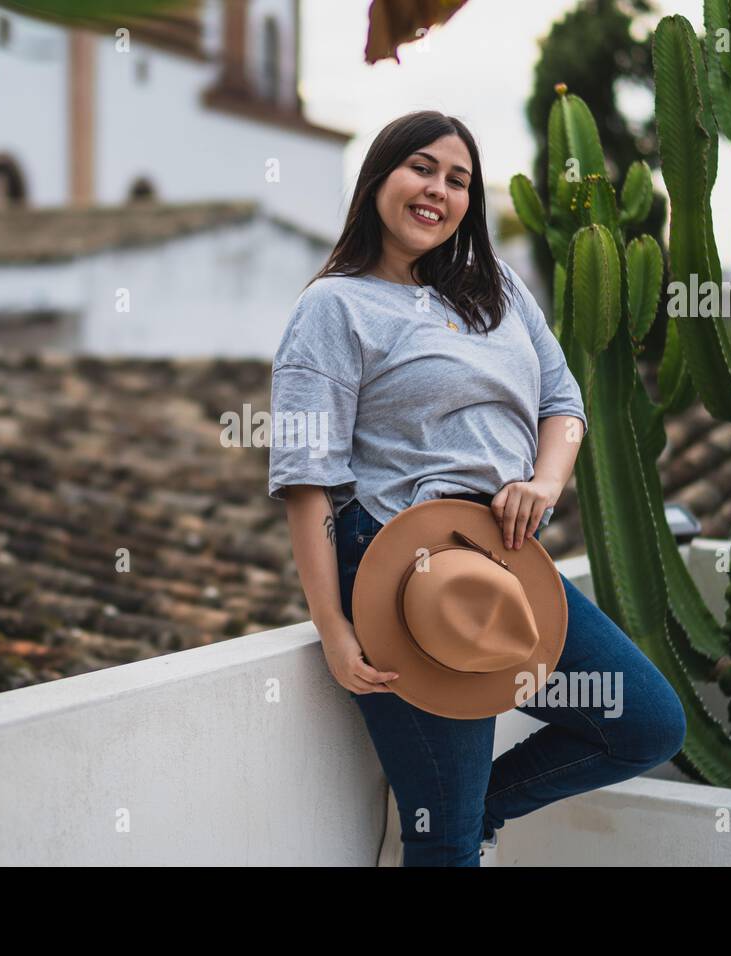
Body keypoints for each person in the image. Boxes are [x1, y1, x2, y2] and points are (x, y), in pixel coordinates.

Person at [267, 110, 686, 867]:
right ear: (378, 180)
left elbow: (564, 404)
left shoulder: (496, 289)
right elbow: (309, 481)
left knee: (647, 722)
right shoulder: (333, 307)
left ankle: (468, 814)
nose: (438, 189)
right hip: (402, 567)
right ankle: (451, 827)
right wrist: (333, 626)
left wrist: (543, 484)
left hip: (507, 559)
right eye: (421, 168)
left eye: (458, 180)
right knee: (445, 848)